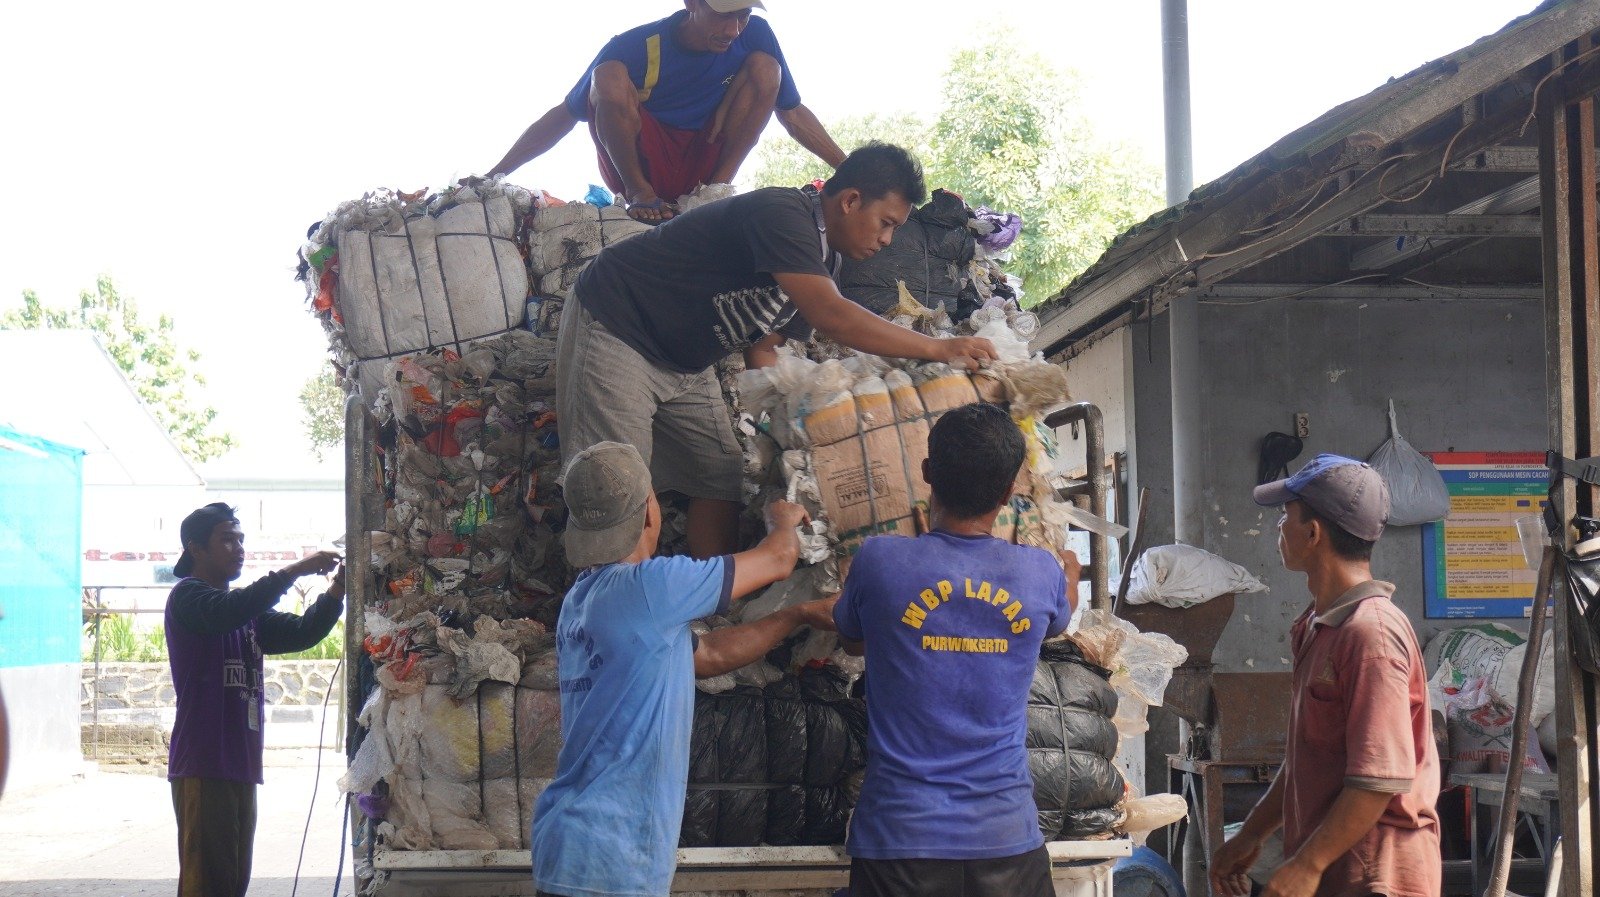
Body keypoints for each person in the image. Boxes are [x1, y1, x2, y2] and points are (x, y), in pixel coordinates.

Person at [555, 141, 997, 561]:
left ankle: (716, 601)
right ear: (850, 201)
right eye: (886, 223)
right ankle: (611, 605)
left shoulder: (825, 263)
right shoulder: (783, 213)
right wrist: (938, 348)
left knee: (719, 474)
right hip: (621, 324)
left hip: (683, 361)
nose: (887, 240)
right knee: (617, 485)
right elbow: (832, 316)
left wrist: (786, 427)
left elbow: (765, 348)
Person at [532, 441, 839, 897]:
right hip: (610, 858)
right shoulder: (650, 587)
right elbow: (778, 559)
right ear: (649, 512)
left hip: (573, 846)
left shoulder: (586, 597)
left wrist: (794, 616)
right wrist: (781, 520)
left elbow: (707, 656)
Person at [832, 403, 1079, 897]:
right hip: (1006, 836)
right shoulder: (1040, 572)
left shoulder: (879, 560)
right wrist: (1069, 571)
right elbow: (1060, 619)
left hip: (900, 839)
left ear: (927, 473)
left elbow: (851, 639)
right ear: (1007, 493)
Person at [1210, 454, 1441, 897]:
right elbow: (1307, 760)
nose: (1280, 528)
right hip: (1338, 868)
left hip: (1377, 876)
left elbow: (1378, 780)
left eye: (1286, 517)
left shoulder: (1370, 634)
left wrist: (1307, 864)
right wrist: (1251, 834)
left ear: (1313, 533)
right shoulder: (1318, 626)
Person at [489, 0, 845, 223]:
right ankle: (639, 193)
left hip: (704, 157)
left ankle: (716, 191)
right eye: (723, 16)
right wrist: (494, 175)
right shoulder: (635, 46)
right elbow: (563, 116)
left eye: (743, 16)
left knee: (767, 69)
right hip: (645, 161)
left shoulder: (756, 35)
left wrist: (850, 168)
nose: (733, 30)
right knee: (607, 75)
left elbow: (792, 113)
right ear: (692, 3)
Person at [164, 502, 345, 897]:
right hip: (204, 761)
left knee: (231, 882)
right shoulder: (190, 598)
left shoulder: (246, 615)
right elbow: (231, 609)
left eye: (241, 540)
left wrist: (336, 591)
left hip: (240, 762)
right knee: (207, 883)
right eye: (227, 540)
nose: (239, 549)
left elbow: (302, 632)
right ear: (196, 548)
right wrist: (295, 569)